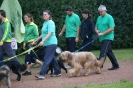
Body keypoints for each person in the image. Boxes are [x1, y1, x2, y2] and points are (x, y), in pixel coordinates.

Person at [34, 10, 61, 79]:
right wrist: (37, 40)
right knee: (52, 58)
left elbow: (50, 33)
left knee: (47, 58)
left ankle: (42, 74)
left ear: (49, 15)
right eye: (43, 14)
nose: (44, 15)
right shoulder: (44, 23)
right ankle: (57, 71)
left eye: (45, 14)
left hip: (51, 43)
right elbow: (43, 34)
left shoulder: (51, 23)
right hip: (47, 44)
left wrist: (43, 41)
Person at [95, 5, 119, 70]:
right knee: (108, 52)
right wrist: (97, 31)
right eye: (99, 12)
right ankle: (116, 65)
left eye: (101, 12)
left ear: (105, 10)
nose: (100, 13)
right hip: (101, 38)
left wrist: (103, 33)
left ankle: (99, 65)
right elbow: (96, 27)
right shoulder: (99, 18)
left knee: (103, 51)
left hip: (108, 37)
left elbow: (112, 28)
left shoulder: (109, 17)